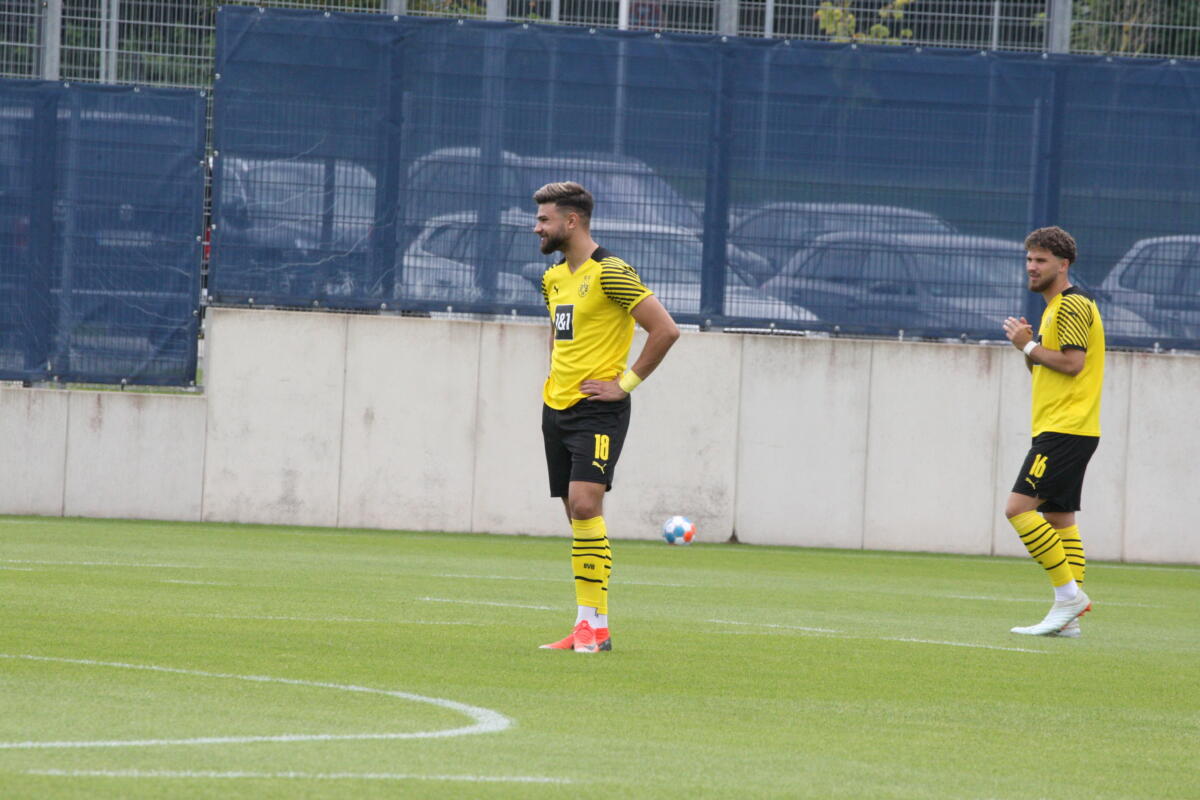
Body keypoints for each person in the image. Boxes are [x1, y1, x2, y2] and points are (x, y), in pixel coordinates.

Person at [532, 181, 680, 654]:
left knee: (584, 505)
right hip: (556, 408)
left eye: (544, 219)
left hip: (599, 410)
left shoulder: (612, 272)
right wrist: (554, 378)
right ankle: (591, 627)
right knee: (577, 517)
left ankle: (592, 630)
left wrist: (624, 384)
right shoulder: (553, 278)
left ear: (571, 221)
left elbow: (665, 330)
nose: (537, 228)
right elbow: (559, 336)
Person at [1001, 226, 1104, 637]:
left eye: (1041, 260)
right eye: (1029, 259)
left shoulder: (1071, 305)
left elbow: (1073, 364)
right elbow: (1050, 366)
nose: (1032, 266)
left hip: (1065, 428)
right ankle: (1068, 621)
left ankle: (1068, 598)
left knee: (1017, 509)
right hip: (1067, 427)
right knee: (1059, 518)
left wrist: (1027, 346)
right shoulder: (1054, 309)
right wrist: (1029, 348)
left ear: (1063, 265)